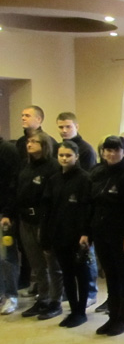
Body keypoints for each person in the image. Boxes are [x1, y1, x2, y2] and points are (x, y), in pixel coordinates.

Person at [2, 131, 63, 320]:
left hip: (45, 221)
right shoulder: (24, 166)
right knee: (37, 264)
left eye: (34, 141)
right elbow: (14, 191)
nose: (29, 144)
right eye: (29, 141)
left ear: (44, 145)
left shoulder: (53, 167)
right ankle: (42, 299)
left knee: (52, 263)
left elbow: (55, 198)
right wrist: (8, 214)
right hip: (25, 221)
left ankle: (55, 301)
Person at [89, 136, 124, 336]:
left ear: (123, 151)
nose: (112, 154)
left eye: (116, 150)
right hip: (101, 232)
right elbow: (92, 204)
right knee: (110, 275)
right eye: (108, 150)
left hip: (122, 235)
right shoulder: (97, 172)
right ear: (103, 152)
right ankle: (113, 317)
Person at [40, 141, 93, 327]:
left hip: (77, 236)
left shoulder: (85, 179)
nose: (64, 158)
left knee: (81, 273)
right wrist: (45, 236)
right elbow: (47, 210)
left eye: (68, 155)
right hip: (58, 234)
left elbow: (87, 209)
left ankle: (81, 311)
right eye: (61, 155)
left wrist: (86, 233)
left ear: (76, 157)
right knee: (67, 274)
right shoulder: (54, 180)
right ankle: (73, 309)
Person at [56, 111, 99, 307]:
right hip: (64, 218)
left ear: (76, 126)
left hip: (81, 211)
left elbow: (87, 182)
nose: (64, 130)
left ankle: (90, 291)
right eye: (61, 127)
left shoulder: (86, 150)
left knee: (85, 256)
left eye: (68, 126)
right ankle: (71, 292)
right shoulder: (58, 148)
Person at [0, 135, 21, 315]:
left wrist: (7, 212)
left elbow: (12, 185)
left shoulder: (7, 150)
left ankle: (10, 295)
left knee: (6, 256)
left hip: (3, 213)